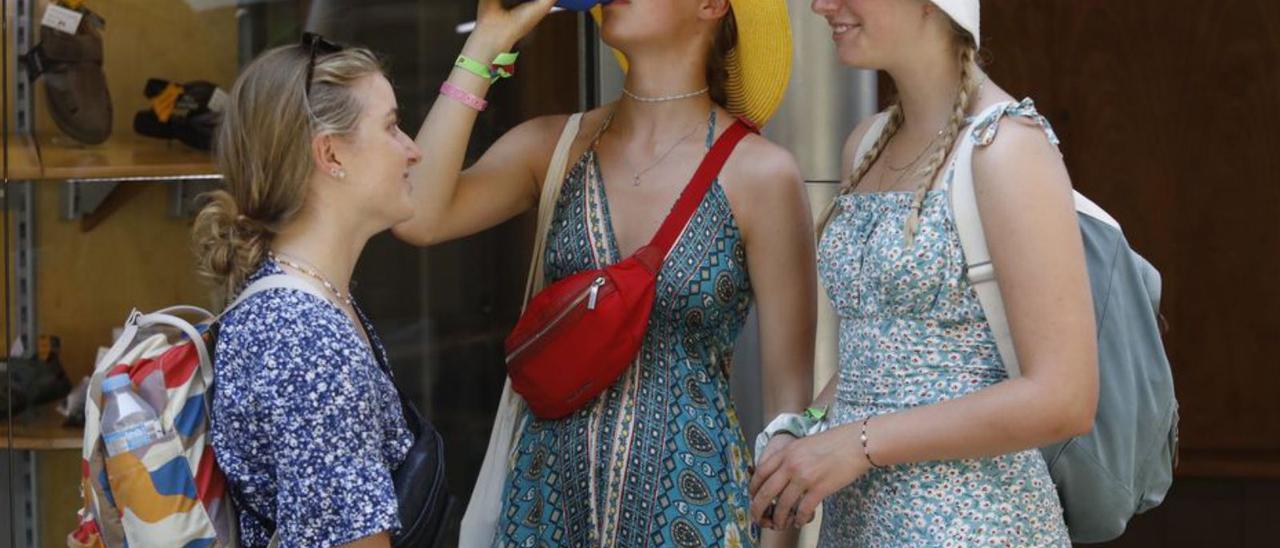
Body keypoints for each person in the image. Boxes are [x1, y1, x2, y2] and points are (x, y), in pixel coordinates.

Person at [393, 0, 816, 545]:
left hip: (697, 513)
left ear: (711, 6)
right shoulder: (556, 146)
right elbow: (418, 215)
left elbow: (788, 413)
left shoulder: (763, 173)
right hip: (545, 508)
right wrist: (484, 43)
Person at [749, 0, 1099, 545]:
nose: (821, 5)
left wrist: (857, 443)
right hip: (857, 527)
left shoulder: (1005, 146)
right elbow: (883, 357)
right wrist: (808, 431)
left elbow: (1065, 398)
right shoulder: (866, 144)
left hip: (976, 526)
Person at [194, 39, 423, 547]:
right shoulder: (305, 338)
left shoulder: (308, 305)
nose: (412, 148)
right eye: (390, 126)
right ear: (330, 153)